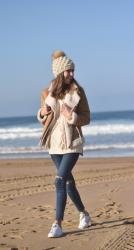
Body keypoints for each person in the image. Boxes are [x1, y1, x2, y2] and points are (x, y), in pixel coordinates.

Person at [37, 50, 91, 238]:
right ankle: (84, 213)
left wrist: (72, 116)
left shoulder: (78, 91)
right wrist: (42, 112)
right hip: (54, 143)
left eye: (73, 70)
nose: (72, 74)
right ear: (59, 73)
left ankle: (57, 224)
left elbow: (87, 118)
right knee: (68, 182)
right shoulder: (47, 93)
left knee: (59, 180)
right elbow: (43, 118)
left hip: (72, 143)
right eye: (68, 71)